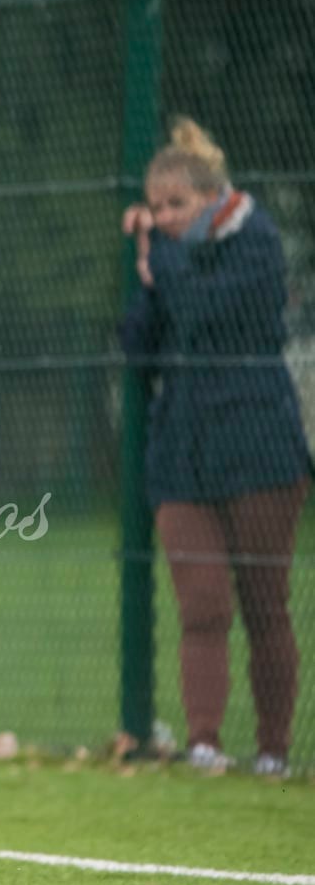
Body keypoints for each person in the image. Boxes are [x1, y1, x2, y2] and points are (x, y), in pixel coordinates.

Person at [120, 117, 313, 778]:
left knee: (264, 603)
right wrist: (141, 270)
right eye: (157, 207)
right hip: (183, 449)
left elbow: (209, 314)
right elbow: (138, 345)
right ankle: (203, 744)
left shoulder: (255, 238)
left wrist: (160, 259)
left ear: (212, 198)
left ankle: (273, 752)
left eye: (176, 206)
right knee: (201, 603)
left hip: (259, 442)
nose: (165, 218)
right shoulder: (167, 260)